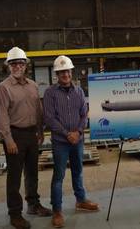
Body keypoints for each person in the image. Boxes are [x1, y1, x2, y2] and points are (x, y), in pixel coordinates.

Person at [0, 47, 52, 229]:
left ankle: (33, 205)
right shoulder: (4, 88)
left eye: (20, 63)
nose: (17, 66)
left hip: (31, 134)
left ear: (25, 65)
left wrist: (41, 131)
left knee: (32, 172)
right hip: (15, 135)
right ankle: (15, 213)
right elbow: (2, 115)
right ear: (8, 66)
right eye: (13, 64)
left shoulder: (33, 85)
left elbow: (38, 110)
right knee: (14, 177)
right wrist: (8, 139)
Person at [43, 55, 99, 228]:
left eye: (67, 71)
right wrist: (68, 134)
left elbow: (84, 114)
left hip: (78, 139)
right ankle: (57, 210)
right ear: (57, 74)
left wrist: (79, 132)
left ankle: (80, 200)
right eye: (61, 72)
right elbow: (50, 118)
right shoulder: (50, 93)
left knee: (78, 170)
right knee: (58, 176)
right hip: (61, 141)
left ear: (71, 72)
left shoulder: (79, 91)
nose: (65, 74)